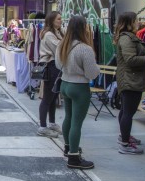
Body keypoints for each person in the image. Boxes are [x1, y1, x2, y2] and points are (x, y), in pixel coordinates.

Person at [114, 12, 145, 154]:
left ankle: (124, 136)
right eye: (136, 20)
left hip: (130, 79)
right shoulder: (127, 39)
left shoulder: (128, 37)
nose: (139, 23)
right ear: (129, 22)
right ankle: (124, 144)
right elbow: (131, 60)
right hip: (131, 80)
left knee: (125, 111)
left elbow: (139, 52)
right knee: (128, 112)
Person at [55, 16, 100, 169]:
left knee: (68, 117)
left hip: (65, 84)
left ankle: (68, 148)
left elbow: (57, 64)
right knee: (77, 122)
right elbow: (92, 73)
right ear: (83, 28)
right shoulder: (85, 48)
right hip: (79, 87)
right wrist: (98, 68)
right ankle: (74, 157)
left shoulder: (62, 44)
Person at [37, 11, 64, 138]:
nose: (61, 20)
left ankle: (52, 123)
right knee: (48, 97)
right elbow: (59, 49)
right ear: (52, 20)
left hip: (56, 66)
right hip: (50, 66)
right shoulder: (48, 35)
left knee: (54, 97)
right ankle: (43, 126)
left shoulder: (57, 32)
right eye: (58, 19)